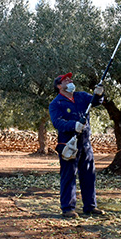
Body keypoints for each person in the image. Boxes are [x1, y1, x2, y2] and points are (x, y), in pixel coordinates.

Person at [49, 72, 106, 219]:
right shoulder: (56, 104)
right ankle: (67, 208)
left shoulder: (81, 96)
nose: (70, 81)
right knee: (68, 176)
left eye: (70, 79)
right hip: (69, 144)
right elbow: (57, 122)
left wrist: (99, 94)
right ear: (59, 86)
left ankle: (90, 206)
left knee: (88, 176)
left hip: (85, 143)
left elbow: (95, 102)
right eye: (66, 80)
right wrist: (73, 125)